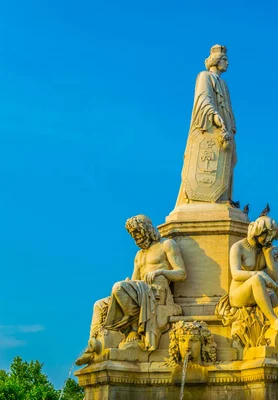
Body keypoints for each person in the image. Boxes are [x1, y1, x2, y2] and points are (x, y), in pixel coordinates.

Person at [76, 215, 187, 365]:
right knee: (99, 305)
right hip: (140, 291)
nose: (136, 237)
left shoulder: (166, 245)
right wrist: (128, 283)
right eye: (133, 234)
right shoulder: (139, 255)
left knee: (118, 287)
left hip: (156, 293)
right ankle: (94, 345)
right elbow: (135, 279)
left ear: (147, 229)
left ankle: (133, 330)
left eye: (137, 233)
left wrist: (161, 272)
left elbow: (181, 273)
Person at [176, 44, 237, 205]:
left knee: (229, 161)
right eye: (224, 60)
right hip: (209, 127)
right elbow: (203, 99)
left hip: (224, 133)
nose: (227, 63)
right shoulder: (205, 76)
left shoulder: (224, 84)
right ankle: (198, 197)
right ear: (216, 61)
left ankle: (223, 197)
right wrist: (215, 116)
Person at [227, 215, 278, 332]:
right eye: (268, 235)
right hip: (238, 295)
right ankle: (273, 320)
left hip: (260, 292)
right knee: (256, 279)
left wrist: (267, 254)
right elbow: (235, 274)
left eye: (272, 236)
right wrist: (260, 274)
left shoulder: (263, 249)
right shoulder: (238, 247)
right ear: (259, 231)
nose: (270, 240)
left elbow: (275, 278)